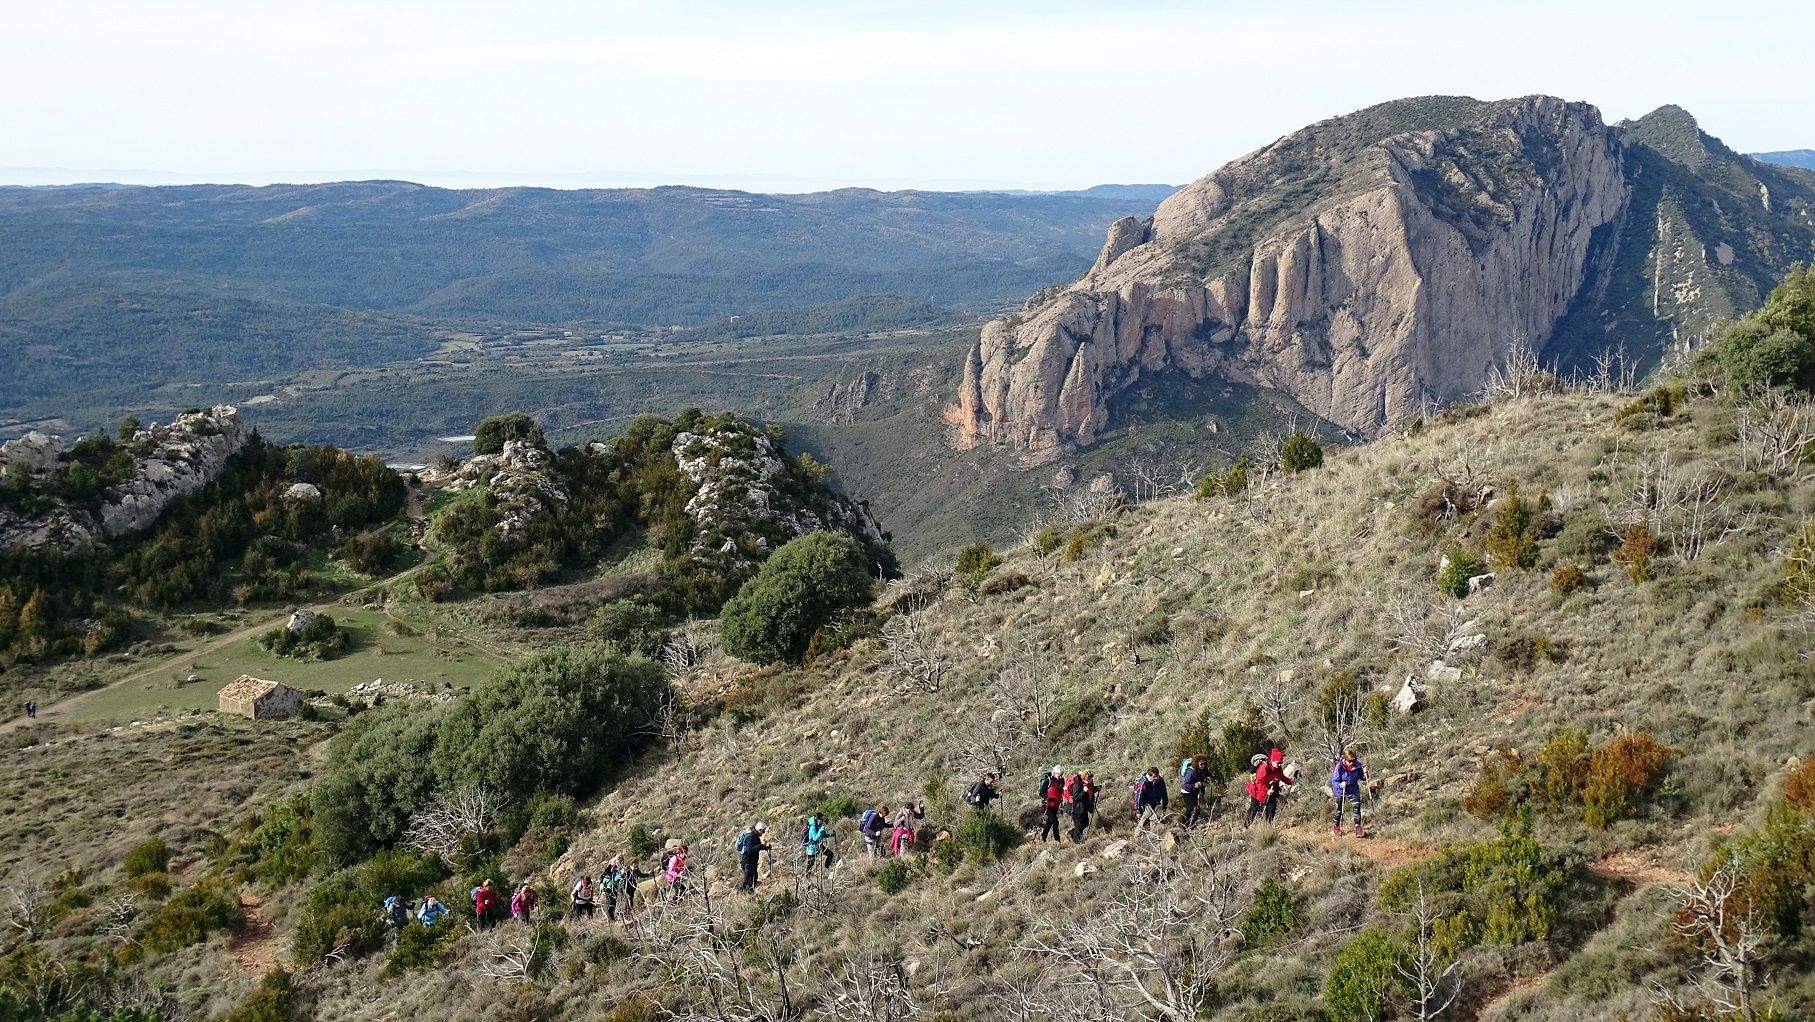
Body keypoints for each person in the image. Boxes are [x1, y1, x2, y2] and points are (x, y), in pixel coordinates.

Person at [1245, 748, 1294, 827]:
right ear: (1273, 760)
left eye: (1281, 763)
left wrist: (1289, 781)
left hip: (1271, 790)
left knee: (1271, 808)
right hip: (1256, 791)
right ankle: (1246, 826)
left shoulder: (1278, 769)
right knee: (1254, 808)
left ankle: (1268, 826)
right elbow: (1259, 782)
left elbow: (1281, 777)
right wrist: (1266, 790)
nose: (1280, 765)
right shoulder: (1264, 768)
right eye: (1278, 763)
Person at [1331, 748, 1367, 837]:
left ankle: (1358, 827)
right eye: (1350, 761)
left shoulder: (1358, 765)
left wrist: (1365, 774)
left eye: (1353, 761)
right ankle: (1336, 826)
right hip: (1341, 790)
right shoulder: (1339, 766)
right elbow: (1334, 781)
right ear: (1345, 759)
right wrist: (1340, 784)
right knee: (1339, 809)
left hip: (1353, 789)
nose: (1352, 763)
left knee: (1356, 806)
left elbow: (1362, 777)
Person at [736, 822, 772, 891]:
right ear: (759, 830)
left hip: (751, 861)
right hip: (747, 861)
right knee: (749, 880)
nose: (763, 833)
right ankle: (743, 894)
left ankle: (746, 895)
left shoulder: (755, 835)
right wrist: (761, 845)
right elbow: (749, 850)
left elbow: (756, 847)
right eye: (763, 831)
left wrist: (765, 847)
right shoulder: (750, 836)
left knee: (753, 878)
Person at [1065, 770, 1097, 842]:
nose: (1090, 780)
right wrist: (1084, 791)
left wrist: (1096, 788)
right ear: (1084, 778)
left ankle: (1071, 833)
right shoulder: (1078, 784)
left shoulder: (1086, 783)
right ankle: (1078, 842)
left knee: (1085, 823)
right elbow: (1076, 798)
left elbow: (1090, 791)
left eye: (1091, 778)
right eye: (1089, 779)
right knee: (1079, 825)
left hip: (1082, 807)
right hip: (1075, 808)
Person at [1180, 755, 1209, 828]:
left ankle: (1190, 825)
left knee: (1196, 809)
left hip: (1195, 792)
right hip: (1186, 792)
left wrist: (1203, 784)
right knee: (1192, 808)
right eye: (1201, 764)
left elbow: (1203, 778)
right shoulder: (1190, 771)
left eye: (1204, 763)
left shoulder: (1201, 770)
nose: (1203, 765)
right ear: (1196, 763)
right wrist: (1194, 786)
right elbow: (1185, 785)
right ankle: (1183, 824)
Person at [1038, 766, 1065, 843]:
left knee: (1049, 822)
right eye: (1058, 774)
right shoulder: (1049, 780)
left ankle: (1043, 837)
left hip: (1056, 805)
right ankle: (1057, 840)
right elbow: (1041, 792)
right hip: (1048, 805)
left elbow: (1062, 791)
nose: (1060, 775)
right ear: (1054, 773)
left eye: (1061, 774)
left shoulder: (1062, 780)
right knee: (1056, 822)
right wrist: (1047, 798)